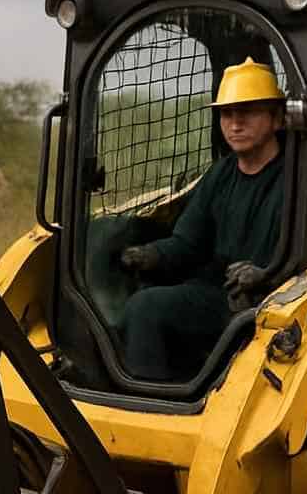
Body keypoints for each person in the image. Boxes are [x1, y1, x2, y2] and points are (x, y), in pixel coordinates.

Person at [117, 58, 288, 380]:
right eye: (227, 114)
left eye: (248, 112)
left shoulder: (297, 178)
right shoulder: (220, 174)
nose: (235, 124)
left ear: (277, 118)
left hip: (277, 305)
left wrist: (267, 274)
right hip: (218, 294)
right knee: (144, 306)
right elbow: (188, 244)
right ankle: (151, 395)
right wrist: (150, 254)